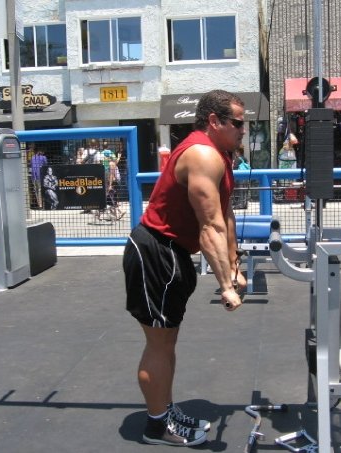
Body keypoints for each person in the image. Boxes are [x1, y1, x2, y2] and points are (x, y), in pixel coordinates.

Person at [122, 90, 247, 447]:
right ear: (214, 121)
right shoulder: (202, 155)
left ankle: (163, 409)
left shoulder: (221, 155)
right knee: (159, 344)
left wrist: (234, 265)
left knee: (167, 339)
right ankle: (156, 426)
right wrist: (225, 285)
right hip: (156, 252)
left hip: (172, 254)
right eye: (237, 123)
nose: (243, 130)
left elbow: (225, 214)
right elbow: (210, 226)